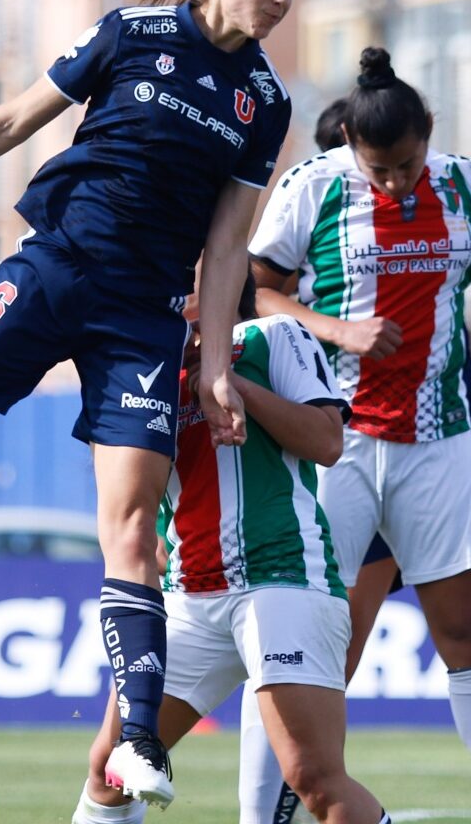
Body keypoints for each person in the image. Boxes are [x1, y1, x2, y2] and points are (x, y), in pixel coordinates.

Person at [0, 0, 301, 807]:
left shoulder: (264, 103)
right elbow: (13, 120)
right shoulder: (130, 33)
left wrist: (218, 363)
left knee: (132, 526)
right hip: (49, 275)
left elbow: (228, 246)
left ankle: (140, 740)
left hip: (145, 320)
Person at [245, 47, 471, 824]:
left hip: (437, 445)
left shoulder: (467, 185)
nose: (394, 182)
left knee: (470, 637)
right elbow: (259, 291)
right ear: (350, 150)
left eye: (405, 165)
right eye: (377, 169)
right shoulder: (311, 188)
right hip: (334, 445)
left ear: (428, 135)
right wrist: (334, 328)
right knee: (296, 649)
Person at [73, 276, 390, 824]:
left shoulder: (273, 335)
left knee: (314, 778)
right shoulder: (142, 363)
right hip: (189, 597)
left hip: (283, 579)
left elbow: (327, 441)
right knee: (111, 769)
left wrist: (234, 386)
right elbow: (118, 479)